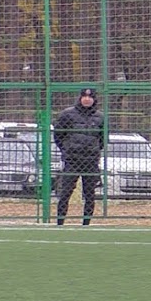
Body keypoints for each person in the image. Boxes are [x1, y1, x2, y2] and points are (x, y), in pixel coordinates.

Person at [54, 88, 104, 226]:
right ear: (80, 98)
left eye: (90, 96)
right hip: (72, 160)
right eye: (84, 96)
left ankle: (86, 223)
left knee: (90, 194)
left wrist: (94, 150)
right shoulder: (67, 114)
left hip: (91, 161)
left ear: (94, 99)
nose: (87, 99)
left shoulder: (100, 117)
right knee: (65, 192)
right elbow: (58, 135)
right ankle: (60, 222)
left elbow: (102, 139)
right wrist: (67, 149)